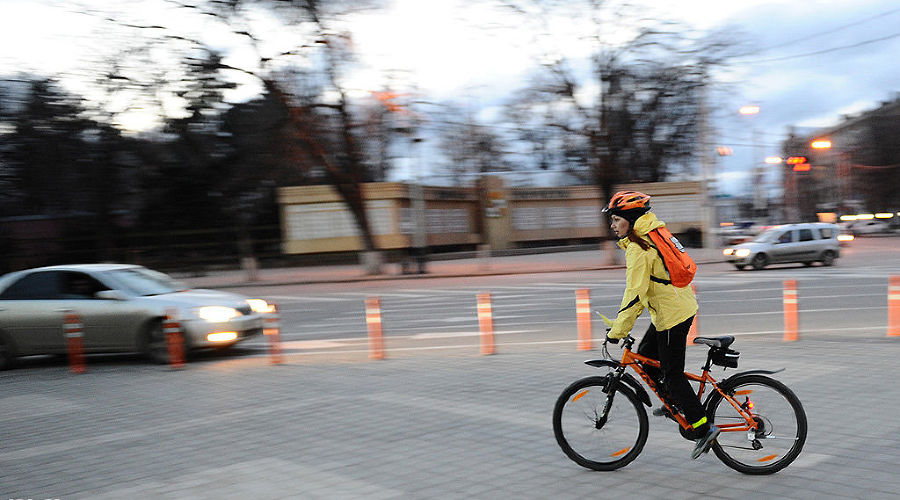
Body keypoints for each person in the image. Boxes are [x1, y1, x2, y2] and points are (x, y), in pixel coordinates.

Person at [602, 190, 720, 460]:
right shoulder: (652, 233)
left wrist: (619, 330)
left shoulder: (639, 248)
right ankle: (676, 404)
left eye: (616, 219)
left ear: (631, 220)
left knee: (672, 373)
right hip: (672, 307)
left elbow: (634, 295)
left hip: (673, 315)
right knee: (644, 358)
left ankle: (702, 428)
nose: (612, 225)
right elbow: (646, 291)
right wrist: (623, 322)